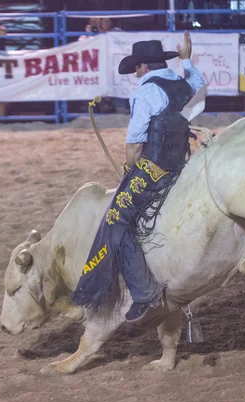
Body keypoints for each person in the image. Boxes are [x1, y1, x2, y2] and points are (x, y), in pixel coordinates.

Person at [71, 31, 206, 323]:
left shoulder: (145, 91)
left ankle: (143, 293)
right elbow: (199, 83)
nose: (135, 71)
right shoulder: (182, 84)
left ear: (144, 66)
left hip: (154, 168)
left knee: (116, 219)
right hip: (181, 163)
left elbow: (135, 143)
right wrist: (187, 61)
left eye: (137, 66)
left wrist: (129, 169)